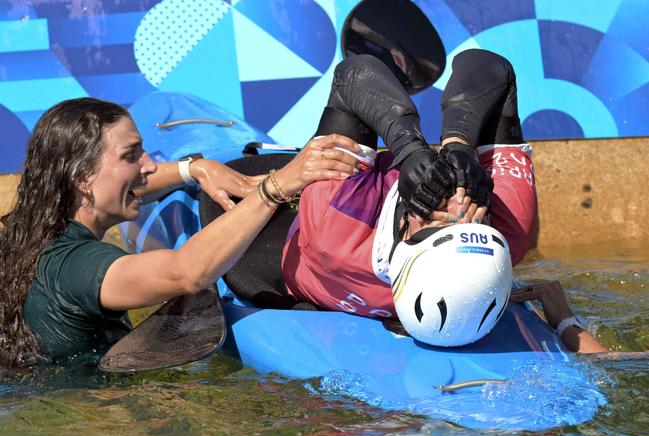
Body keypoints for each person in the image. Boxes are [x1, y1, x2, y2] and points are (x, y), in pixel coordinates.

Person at [202, 49, 538, 345]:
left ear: (406, 236)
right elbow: (491, 67)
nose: (458, 202)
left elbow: (354, 73)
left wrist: (408, 149)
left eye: (443, 222)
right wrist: (459, 144)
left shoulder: (336, 226)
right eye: (477, 222)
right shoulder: (512, 232)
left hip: (311, 246)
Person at [0, 98, 361, 366]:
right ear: (82, 179)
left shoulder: (26, 230)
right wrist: (276, 186)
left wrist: (195, 169)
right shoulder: (77, 266)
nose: (150, 165)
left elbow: (134, 181)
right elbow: (186, 273)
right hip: (84, 416)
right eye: (132, 155)